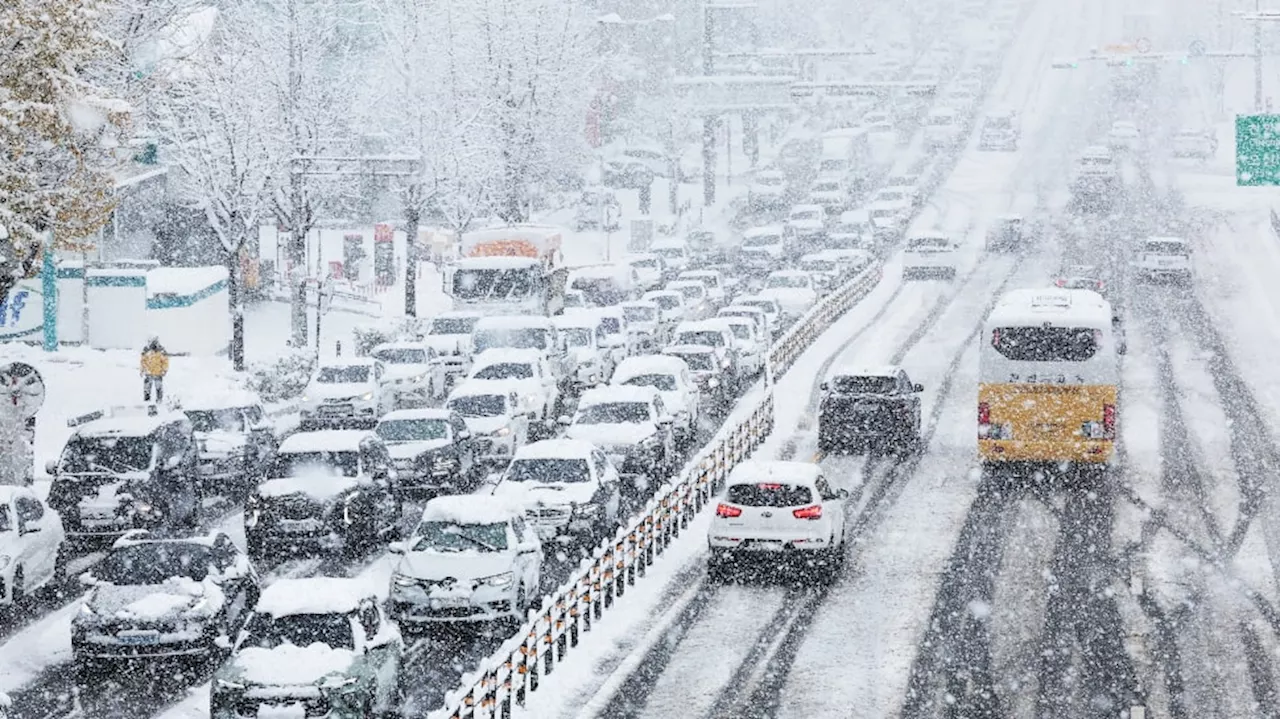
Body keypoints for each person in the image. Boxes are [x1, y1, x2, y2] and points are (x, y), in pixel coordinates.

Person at [140, 336, 169, 403]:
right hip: (148, 373)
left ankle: (159, 401)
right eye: (149, 341)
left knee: (159, 388)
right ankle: (147, 402)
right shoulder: (146, 349)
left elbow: (165, 361)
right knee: (147, 389)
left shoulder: (161, 350)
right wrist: (142, 370)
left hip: (158, 373)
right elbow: (143, 361)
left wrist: (164, 370)